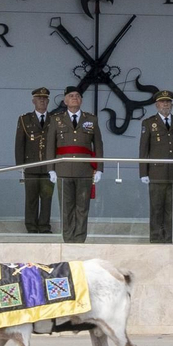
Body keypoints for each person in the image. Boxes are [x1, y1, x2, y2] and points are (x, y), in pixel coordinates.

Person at [46, 85, 101, 242]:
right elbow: (50, 146)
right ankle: (68, 240)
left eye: (77, 95)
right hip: (63, 170)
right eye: (71, 95)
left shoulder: (91, 119)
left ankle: (79, 240)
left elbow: (98, 145)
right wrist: (51, 169)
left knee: (82, 208)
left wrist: (100, 169)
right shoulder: (56, 120)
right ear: (65, 100)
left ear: (82, 100)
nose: (74, 98)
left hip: (84, 170)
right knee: (66, 208)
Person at [138, 89, 173, 244]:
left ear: (171, 104)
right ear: (157, 105)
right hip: (156, 172)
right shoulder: (148, 123)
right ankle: (156, 241)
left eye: (168, 102)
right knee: (156, 209)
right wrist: (143, 172)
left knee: (172, 209)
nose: (165, 105)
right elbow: (144, 149)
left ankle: (171, 240)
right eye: (162, 102)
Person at [14, 86, 54, 234]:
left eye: (44, 99)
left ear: (48, 101)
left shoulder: (55, 119)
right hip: (31, 165)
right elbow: (19, 143)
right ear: (33, 101)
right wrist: (20, 165)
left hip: (48, 167)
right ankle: (31, 225)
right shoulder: (25, 119)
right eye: (39, 99)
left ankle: (44, 226)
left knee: (46, 197)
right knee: (31, 197)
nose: (42, 101)